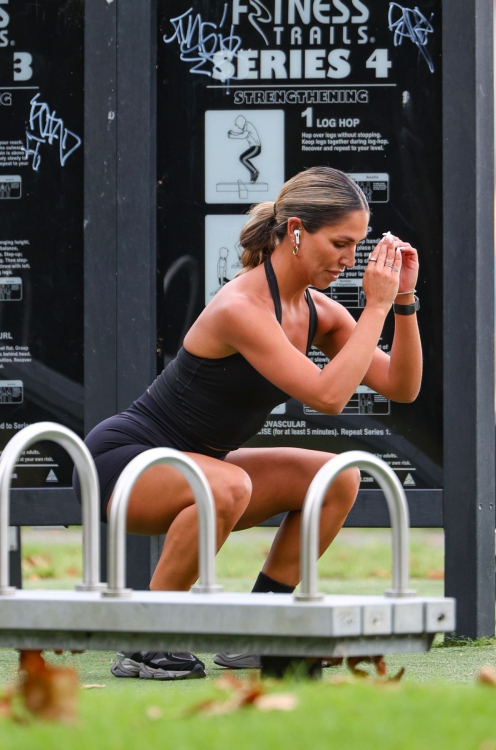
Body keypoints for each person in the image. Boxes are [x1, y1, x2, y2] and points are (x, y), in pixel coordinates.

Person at [73, 166, 422, 680]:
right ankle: (145, 637)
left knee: (337, 477)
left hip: (206, 468)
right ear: (298, 231)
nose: (351, 260)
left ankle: (262, 629)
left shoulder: (318, 311)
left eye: (359, 245)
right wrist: (374, 305)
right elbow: (328, 396)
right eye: (341, 243)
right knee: (228, 483)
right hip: (123, 462)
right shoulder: (241, 305)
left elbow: (401, 386)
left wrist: (403, 303)